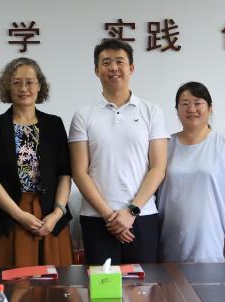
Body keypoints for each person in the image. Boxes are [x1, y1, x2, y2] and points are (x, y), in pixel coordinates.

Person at [69, 38, 168, 265]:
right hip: (97, 218)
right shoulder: (83, 115)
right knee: (102, 285)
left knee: (143, 284)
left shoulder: (151, 111)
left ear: (131, 68)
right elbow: (79, 172)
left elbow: (158, 168)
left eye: (119, 62)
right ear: (96, 70)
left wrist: (131, 211)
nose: (113, 68)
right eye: (106, 63)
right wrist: (109, 216)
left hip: (142, 215)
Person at [0, 58, 73, 267]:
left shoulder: (54, 124)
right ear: (7, 86)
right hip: (11, 214)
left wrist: (57, 213)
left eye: (29, 82)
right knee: (16, 282)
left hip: (51, 214)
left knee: (56, 282)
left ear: (39, 86)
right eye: (16, 82)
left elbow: (65, 172)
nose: (23, 88)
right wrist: (19, 215)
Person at [157, 82, 225, 263]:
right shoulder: (166, 145)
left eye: (197, 103)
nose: (191, 109)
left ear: (210, 108)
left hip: (214, 242)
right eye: (185, 104)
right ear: (177, 110)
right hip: (171, 240)